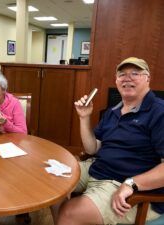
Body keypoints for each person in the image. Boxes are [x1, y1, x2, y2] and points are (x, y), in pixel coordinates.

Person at [55, 57, 164, 225]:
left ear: (147, 78)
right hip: (97, 168)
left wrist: (132, 184)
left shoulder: (159, 112)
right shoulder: (113, 111)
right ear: (116, 80)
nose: (127, 78)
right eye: (122, 74)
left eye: (135, 73)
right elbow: (92, 149)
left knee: (69, 214)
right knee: (51, 184)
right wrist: (84, 118)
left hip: (124, 184)